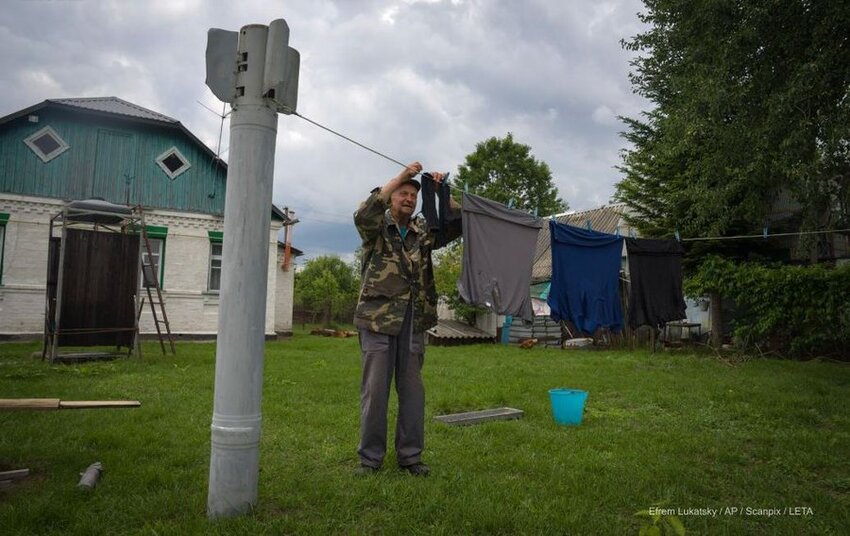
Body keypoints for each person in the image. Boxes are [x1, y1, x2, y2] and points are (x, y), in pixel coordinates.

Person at [353, 161, 461, 476]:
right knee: (376, 392)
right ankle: (370, 459)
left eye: (413, 195)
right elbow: (364, 212)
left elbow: (457, 224)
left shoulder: (422, 231)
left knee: (413, 392)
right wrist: (401, 176)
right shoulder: (376, 228)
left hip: (414, 320)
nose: (410, 199)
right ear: (391, 197)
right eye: (403, 193)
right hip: (378, 319)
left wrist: (442, 192)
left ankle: (410, 457)